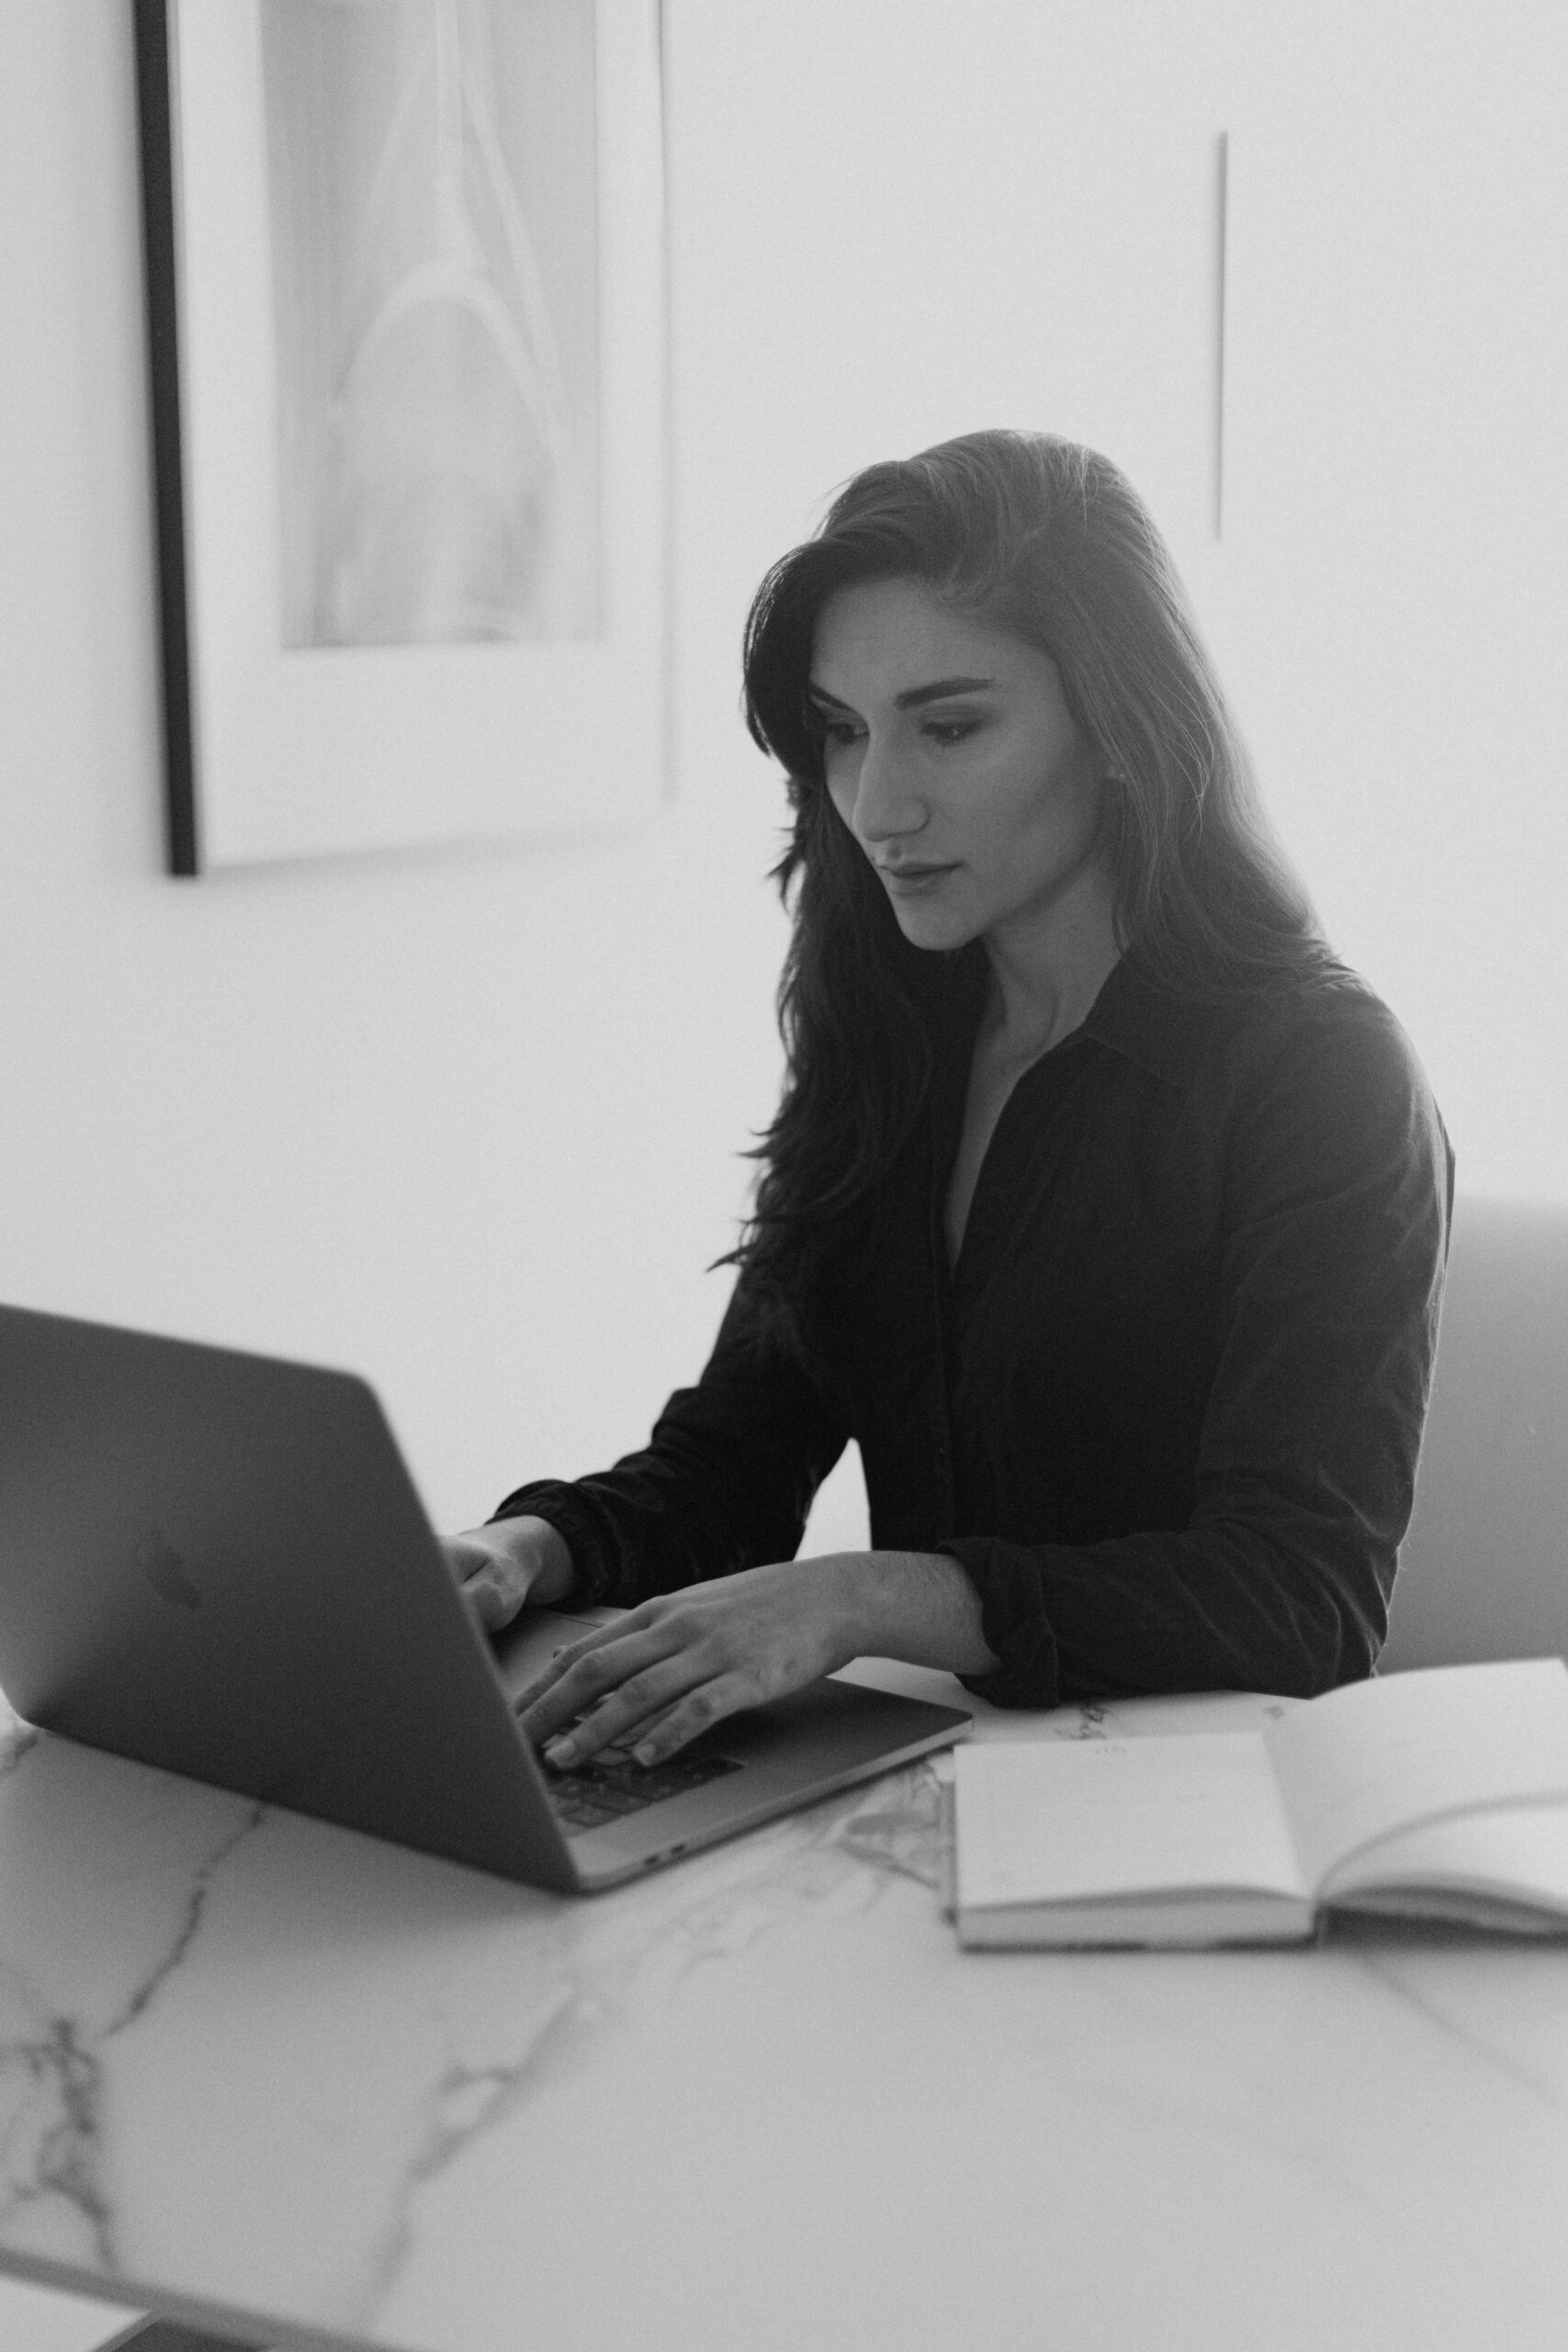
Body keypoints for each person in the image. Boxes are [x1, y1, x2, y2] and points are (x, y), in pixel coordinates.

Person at [443, 429, 1453, 1777]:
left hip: (1196, 1818)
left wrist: (864, 1596)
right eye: (844, 732)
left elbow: (1298, 1602)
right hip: (929, 1784)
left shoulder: (1320, 1075)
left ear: (1118, 724)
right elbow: (737, 1459)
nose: (875, 802)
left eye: (951, 725)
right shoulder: (890, 1033)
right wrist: (526, 1549)